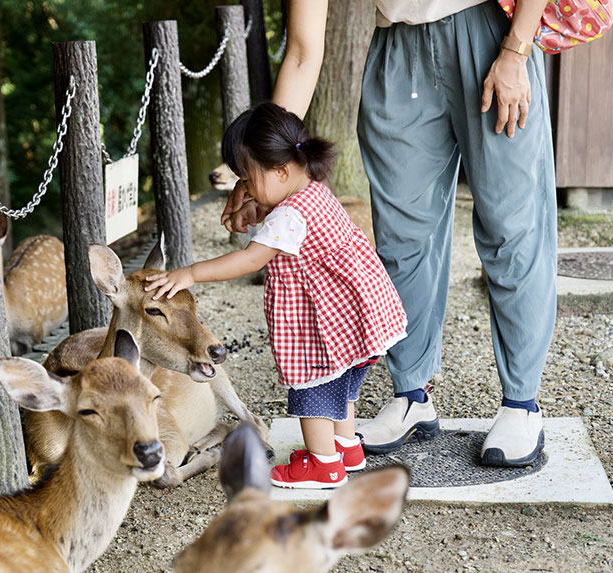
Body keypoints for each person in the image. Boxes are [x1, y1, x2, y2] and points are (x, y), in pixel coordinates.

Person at [222, 0, 555, 467]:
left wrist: (517, 49)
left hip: (490, 32)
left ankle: (522, 403)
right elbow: (301, 52)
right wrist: (263, 170)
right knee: (401, 236)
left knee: (511, 226)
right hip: (397, 48)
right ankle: (412, 394)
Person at [146, 103, 407, 489]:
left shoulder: (289, 217)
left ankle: (323, 465)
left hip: (325, 328)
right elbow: (276, 212)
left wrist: (190, 273)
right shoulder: (312, 190)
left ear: (281, 171)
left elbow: (249, 259)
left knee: (314, 390)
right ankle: (345, 447)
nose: (245, 189)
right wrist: (258, 202)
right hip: (355, 318)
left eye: (248, 180)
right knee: (341, 385)